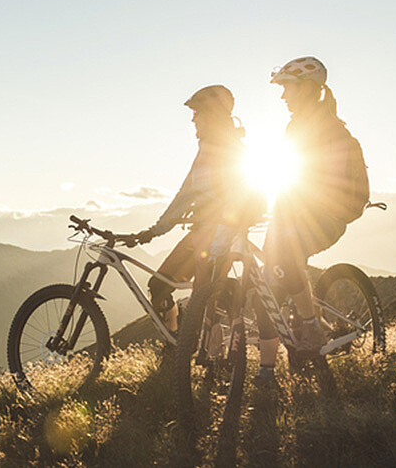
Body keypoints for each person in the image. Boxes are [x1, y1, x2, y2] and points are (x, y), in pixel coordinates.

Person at [255, 56, 370, 384]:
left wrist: (297, 212)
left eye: (287, 88)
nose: (282, 96)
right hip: (293, 214)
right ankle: (268, 370)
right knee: (266, 284)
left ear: (306, 89)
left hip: (328, 216)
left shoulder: (330, 129)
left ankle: (313, 326)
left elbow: (329, 183)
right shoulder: (294, 128)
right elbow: (287, 175)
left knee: (288, 254)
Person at [136, 85, 264, 336]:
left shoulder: (232, 150)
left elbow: (243, 194)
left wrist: (226, 229)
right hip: (200, 234)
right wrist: (155, 231)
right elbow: (186, 195)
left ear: (214, 115)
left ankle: (205, 351)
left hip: (223, 236)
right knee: (159, 287)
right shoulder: (205, 150)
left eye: (198, 113)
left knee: (204, 298)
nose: (193, 120)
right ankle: (175, 341)